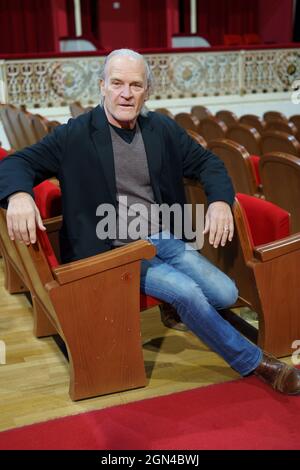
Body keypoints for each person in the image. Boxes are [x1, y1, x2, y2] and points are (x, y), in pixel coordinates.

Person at [0, 49, 299, 395]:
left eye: (135, 85)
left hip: (162, 237)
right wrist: (20, 195)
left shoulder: (161, 129)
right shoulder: (75, 136)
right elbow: (13, 164)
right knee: (188, 293)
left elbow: (209, 164)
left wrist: (218, 201)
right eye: (117, 83)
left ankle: (186, 312)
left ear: (147, 91)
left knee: (225, 291)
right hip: (110, 251)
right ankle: (257, 363)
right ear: (102, 86)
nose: (126, 93)